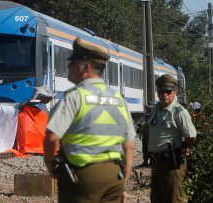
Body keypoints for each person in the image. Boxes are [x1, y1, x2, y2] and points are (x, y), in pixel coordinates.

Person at [43, 37, 136, 203]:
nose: (69, 66)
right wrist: (122, 182)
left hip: (82, 176)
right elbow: (129, 146)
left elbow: (52, 137)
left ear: (86, 67)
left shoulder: (75, 96)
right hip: (113, 176)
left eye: (73, 62)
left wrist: (51, 166)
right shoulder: (118, 99)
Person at [148, 74, 197, 203]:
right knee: (156, 199)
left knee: (174, 199)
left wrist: (183, 148)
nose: (164, 94)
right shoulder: (155, 110)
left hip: (172, 163)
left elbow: (191, 136)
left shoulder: (179, 111)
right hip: (156, 163)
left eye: (168, 91)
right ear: (157, 93)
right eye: (161, 91)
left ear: (174, 92)